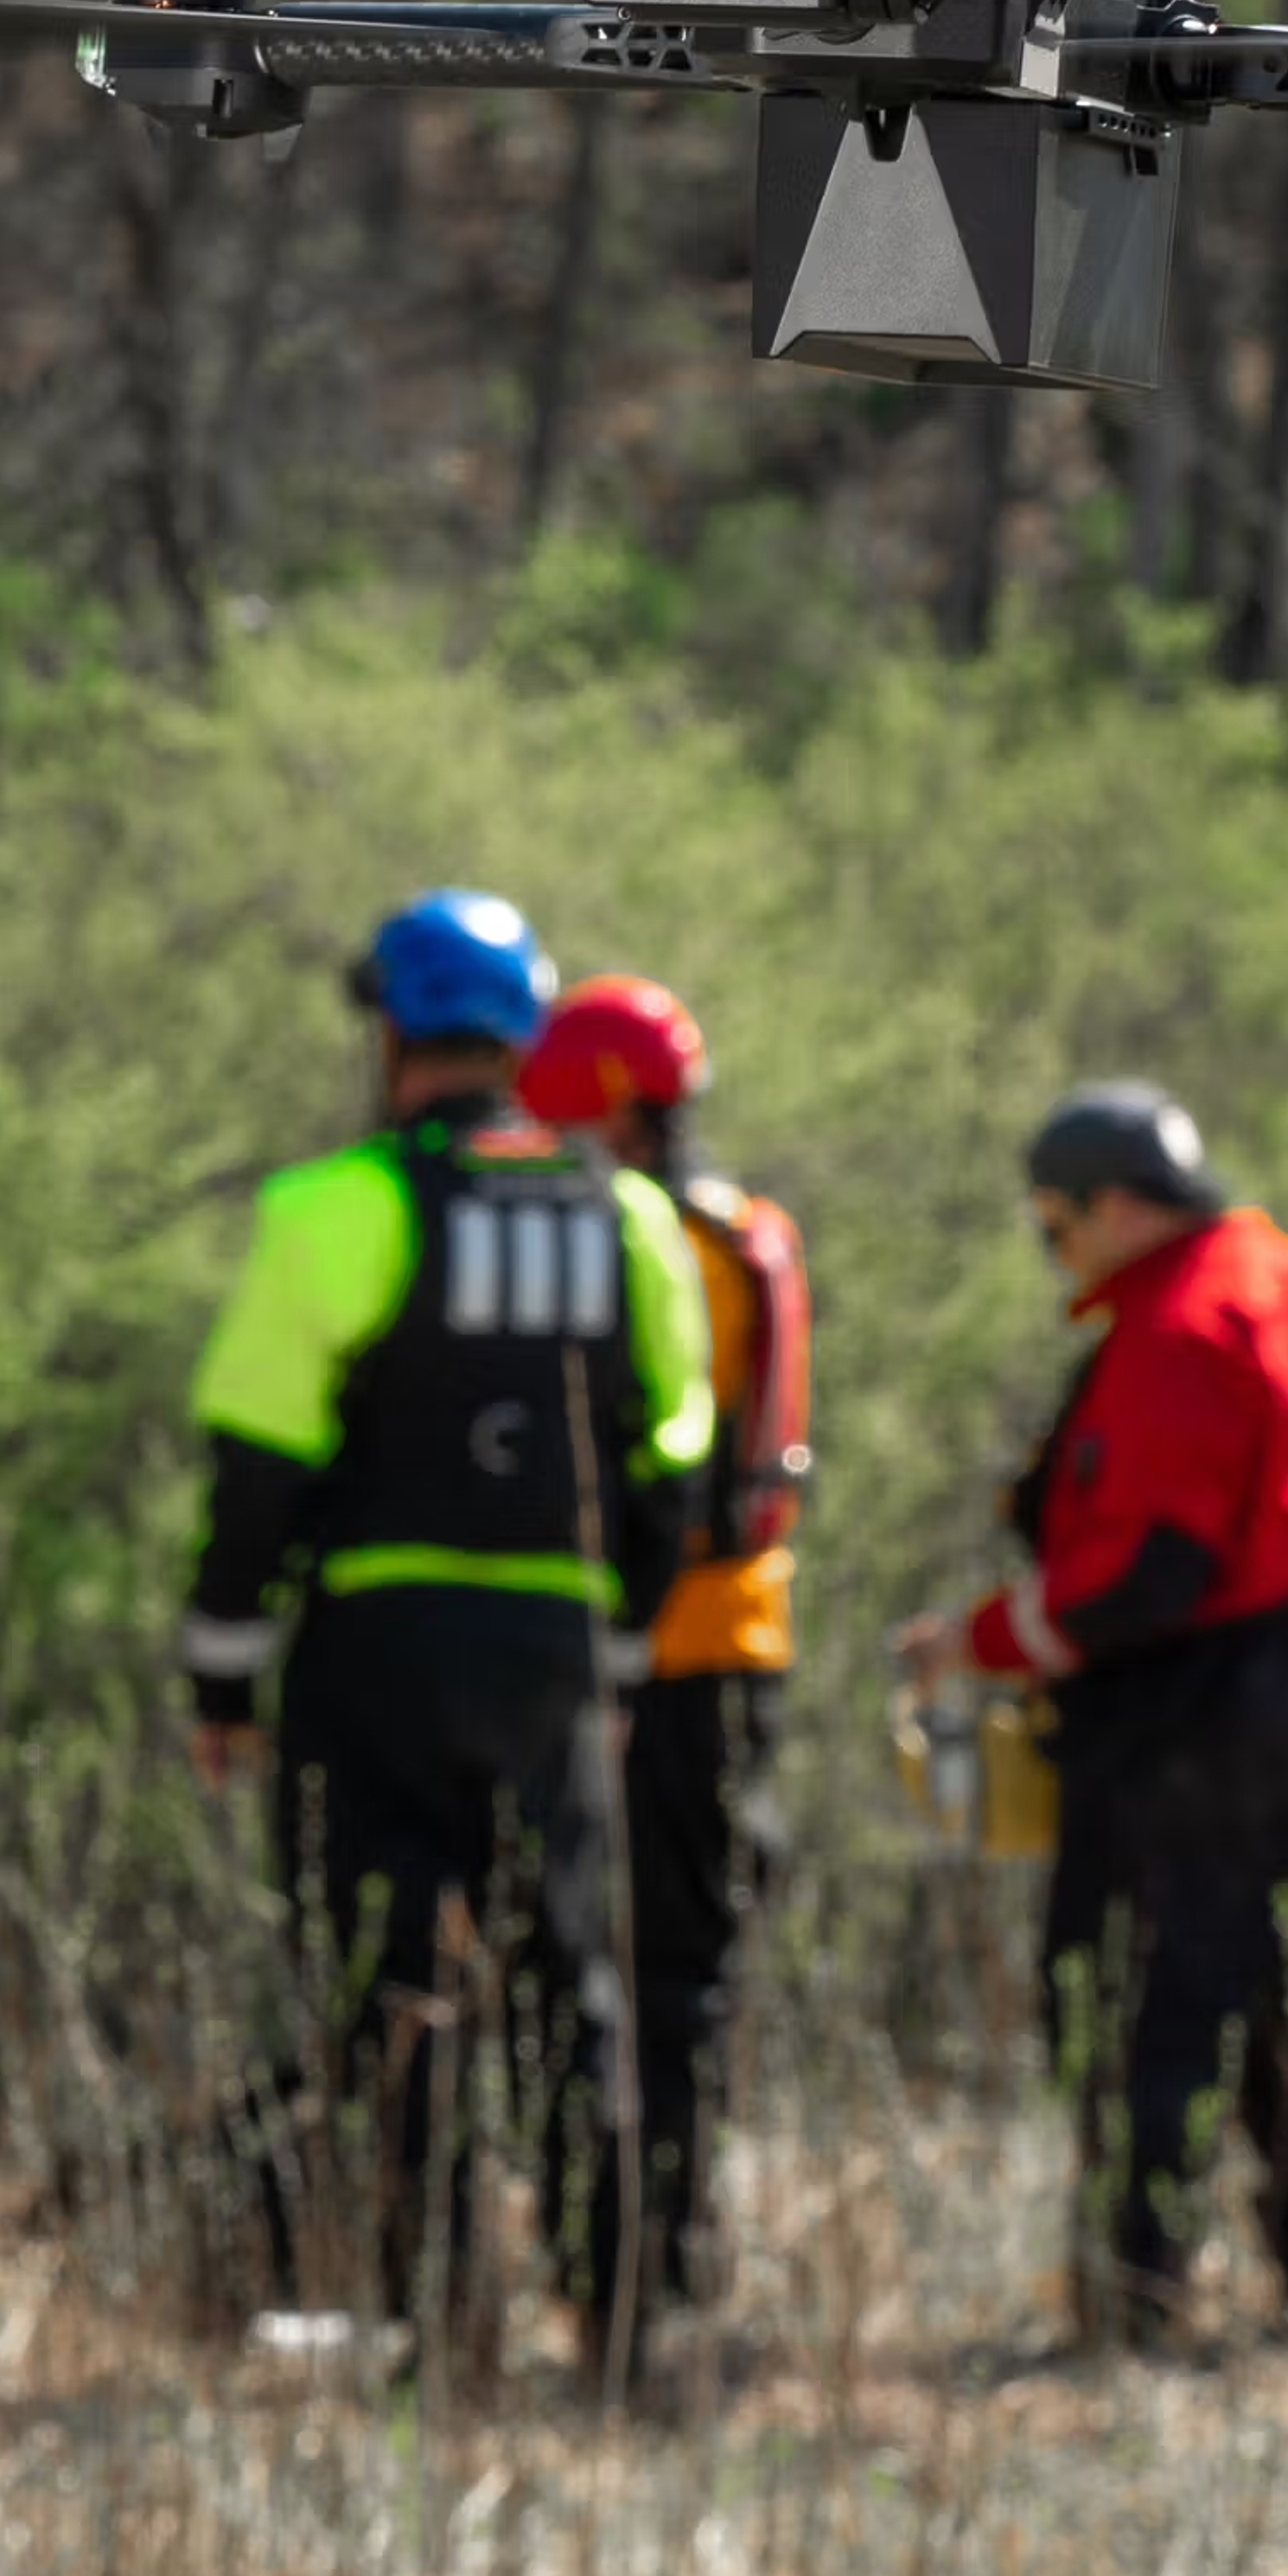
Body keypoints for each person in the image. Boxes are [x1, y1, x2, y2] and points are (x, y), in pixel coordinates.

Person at [182, 888, 715, 2346]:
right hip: (552, 1659)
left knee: (383, 1983)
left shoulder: (334, 1207)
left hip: (373, 1653)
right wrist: (615, 1658)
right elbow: (677, 1464)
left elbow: (260, 1468)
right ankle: (614, 2323)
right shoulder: (633, 1219)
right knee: (573, 1986)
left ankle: (435, 2317)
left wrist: (221, 1675)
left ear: (395, 1033)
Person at [896, 1082, 1288, 2346]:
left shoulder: (1187, 1321)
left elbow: (1148, 1572)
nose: (1054, 1250)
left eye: (1055, 1226)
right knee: (1279, 1984)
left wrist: (985, 1643)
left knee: (1136, 1996)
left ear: (1117, 1207)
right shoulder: (1287, 1277)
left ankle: (1135, 2304)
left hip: (1194, 1709)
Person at [518, 975, 811, 2312]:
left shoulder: (646, 1240)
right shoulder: (751, 1229)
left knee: (607, 1962)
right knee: (687, 1963)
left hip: (639, 1658)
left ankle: (629, 2254)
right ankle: (668, 2246)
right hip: (741, 1642)